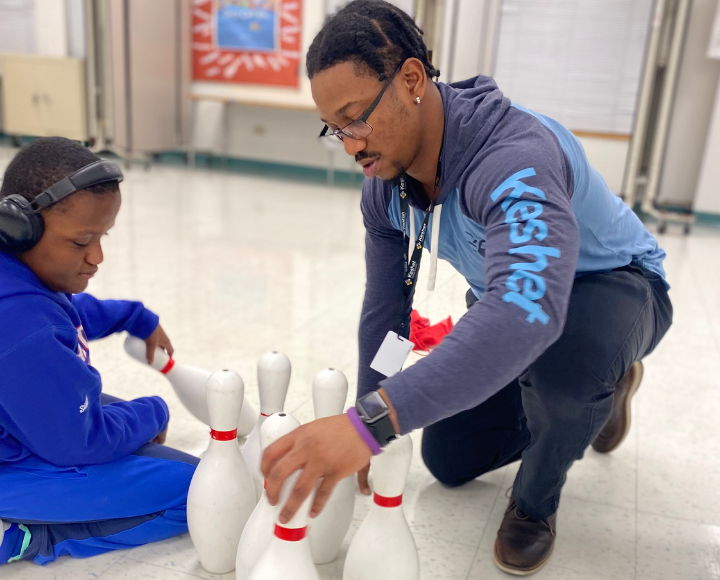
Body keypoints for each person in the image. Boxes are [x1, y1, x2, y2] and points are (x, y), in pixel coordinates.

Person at [261, 0, 673, 575]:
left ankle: (536, 501)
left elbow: (526, 310)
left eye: (356, 118)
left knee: (566, 379)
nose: (351, 144)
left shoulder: (515, 159)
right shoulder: (384, 186)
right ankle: (596, 396)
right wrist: (371, 404)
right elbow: (389, 312)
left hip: (616, 288)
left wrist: (368, 426)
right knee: (451, 459)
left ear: (410, 80)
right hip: (517, 302)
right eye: (335, 127)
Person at [0, 137, 197, 565]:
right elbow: (80, 444)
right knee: (202, 490)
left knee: (133, 436)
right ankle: (31, 534)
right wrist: (155, 411)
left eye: (102, 236)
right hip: (14, 472)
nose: (98, 256)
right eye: (81, 242)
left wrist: (134, 316)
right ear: (19, 227)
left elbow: (69, 316)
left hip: (21, 431)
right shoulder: (23, 325)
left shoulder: (16, 276)